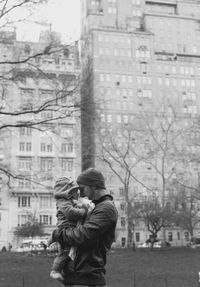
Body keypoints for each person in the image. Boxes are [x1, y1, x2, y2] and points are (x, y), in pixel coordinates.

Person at [51, 167, 118, 287]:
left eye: (82, 189)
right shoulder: (95, 207)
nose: (80, 194)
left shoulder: (106, 208)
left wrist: (57, 234)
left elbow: (83, 235)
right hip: (76, 276)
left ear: (94, 186)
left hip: (87, 279)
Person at [48, 177, 95, 282]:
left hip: (68, 228)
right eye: (73, 191)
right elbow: (71, 213)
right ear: (66, 191)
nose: (76, 193)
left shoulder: (68, 201)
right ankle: (55, 271)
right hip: (66, 228)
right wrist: (84, 212)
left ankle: (52, 239)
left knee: (66, 250)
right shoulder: (62, 201)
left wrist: (84, 205)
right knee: (66, 251)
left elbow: (76, 205)